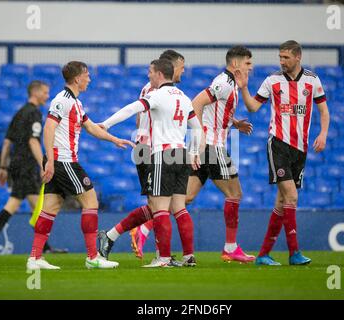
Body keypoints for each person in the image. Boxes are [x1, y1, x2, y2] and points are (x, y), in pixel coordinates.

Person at [130, 48, 254, 263]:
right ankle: (230, 247)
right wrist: (199, 141)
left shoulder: (232, 84)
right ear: (236, 64)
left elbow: (214, 111)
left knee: (184, 199)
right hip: (212, 147)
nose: (250, 68)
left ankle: (144, 228)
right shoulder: (224, 82)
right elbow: (197, 103)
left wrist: (233, 123)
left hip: (206, 147)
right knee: (235, 194)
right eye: (247, 64)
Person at [26, 61, 134, 270]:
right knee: (91, 201)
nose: (89, 79)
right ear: (77, 78)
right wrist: (49, 160)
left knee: (50, 207)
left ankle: (35, 258)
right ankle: (93, 257)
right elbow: (49, 128)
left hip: (60, 161)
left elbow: (91, 127)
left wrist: (114, 139)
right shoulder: (63, 100)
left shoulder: (75, 102)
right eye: (86, 75)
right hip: (64, 161)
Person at [97, 58, 202, 267]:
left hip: (161, 154)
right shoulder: (184, 96)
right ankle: (188, 257)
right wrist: (195, 152)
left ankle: (162, 258)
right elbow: (197, 128)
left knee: (160, 208)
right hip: (181, 154)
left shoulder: (156, 94)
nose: (148, 75)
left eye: (150, 72)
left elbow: (131, 110)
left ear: (160, 73)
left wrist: (106, 124)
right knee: (179, 207)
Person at [236, 40, 330, 265]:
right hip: (278, 144)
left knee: (281, 202)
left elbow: (324, 111)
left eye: (286, 57)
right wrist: (244, 87)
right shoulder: (272, 81)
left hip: (301, 148)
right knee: (292, 197)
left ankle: (263, 255)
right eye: (280, 57)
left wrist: (323, 133)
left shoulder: (312, 80)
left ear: (298, 57)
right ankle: (294, 253)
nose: (282, 61)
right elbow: (253, 107)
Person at [0, 81, 65, 255]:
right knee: (29, 206)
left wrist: (3, 167)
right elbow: (33, 141)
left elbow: (6, 142)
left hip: (16, 164)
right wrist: (44, 163)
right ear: (36, 93)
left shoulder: (19, 113)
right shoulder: (34, 113)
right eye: (45, 92)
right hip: (27, 165)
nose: (48, 96)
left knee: (28, 205)